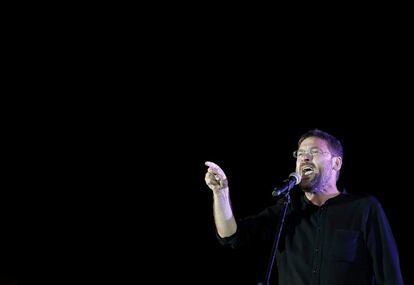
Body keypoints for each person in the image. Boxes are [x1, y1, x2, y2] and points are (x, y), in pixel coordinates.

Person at [204, 129, 404, 285]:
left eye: (314, 152)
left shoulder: (363, 208)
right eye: (300, 154)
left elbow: (389, 276)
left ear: (336, 163)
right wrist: (220, 193)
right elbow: (231, 236)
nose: (304, 158)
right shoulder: (286, 210)